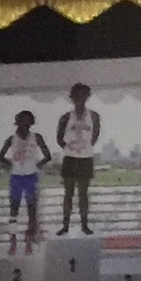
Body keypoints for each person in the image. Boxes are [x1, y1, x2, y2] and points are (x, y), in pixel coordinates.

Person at [0, 107, 52, 254]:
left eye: (28, 123)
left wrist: (37, 165)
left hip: (31, 177)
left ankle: (28, 242)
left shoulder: (37, 137)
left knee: (31, 210)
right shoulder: (11, 139)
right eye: (23, 123)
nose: (25, 126)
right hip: (16, 177)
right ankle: (13, 241)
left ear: (31, 124)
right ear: (18, 122)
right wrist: (11, 164)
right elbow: (0, 157)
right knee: (13, 210)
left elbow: (48, 156)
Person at [56, 84, 100, 234]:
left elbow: (95, 136)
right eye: (76, 96)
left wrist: (84, 148)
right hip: (70, 159)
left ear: (87, 97)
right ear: (72, 98)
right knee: (68, 193)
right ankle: (65, 226)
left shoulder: (94, 116)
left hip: (86, 159)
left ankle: (84, 225)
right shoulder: (65, 117)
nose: (80, 99)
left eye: (83, 95)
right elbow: (59, 138)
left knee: (83, 194)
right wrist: (71, 148)